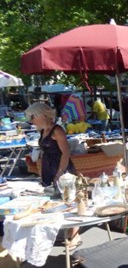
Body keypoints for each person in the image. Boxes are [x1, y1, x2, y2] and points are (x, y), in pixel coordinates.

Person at [24, 102, 80, 249]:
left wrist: (59, 173)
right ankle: (63, 231)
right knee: (55, 201)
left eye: (32, 117)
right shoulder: (43, 131)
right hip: (49, 167)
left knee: (69, 200)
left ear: (41, 115)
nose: (31, 120)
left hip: (61, 167)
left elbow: (66, 153)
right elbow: (43, 152)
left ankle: (74, 234)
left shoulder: (57, 130)